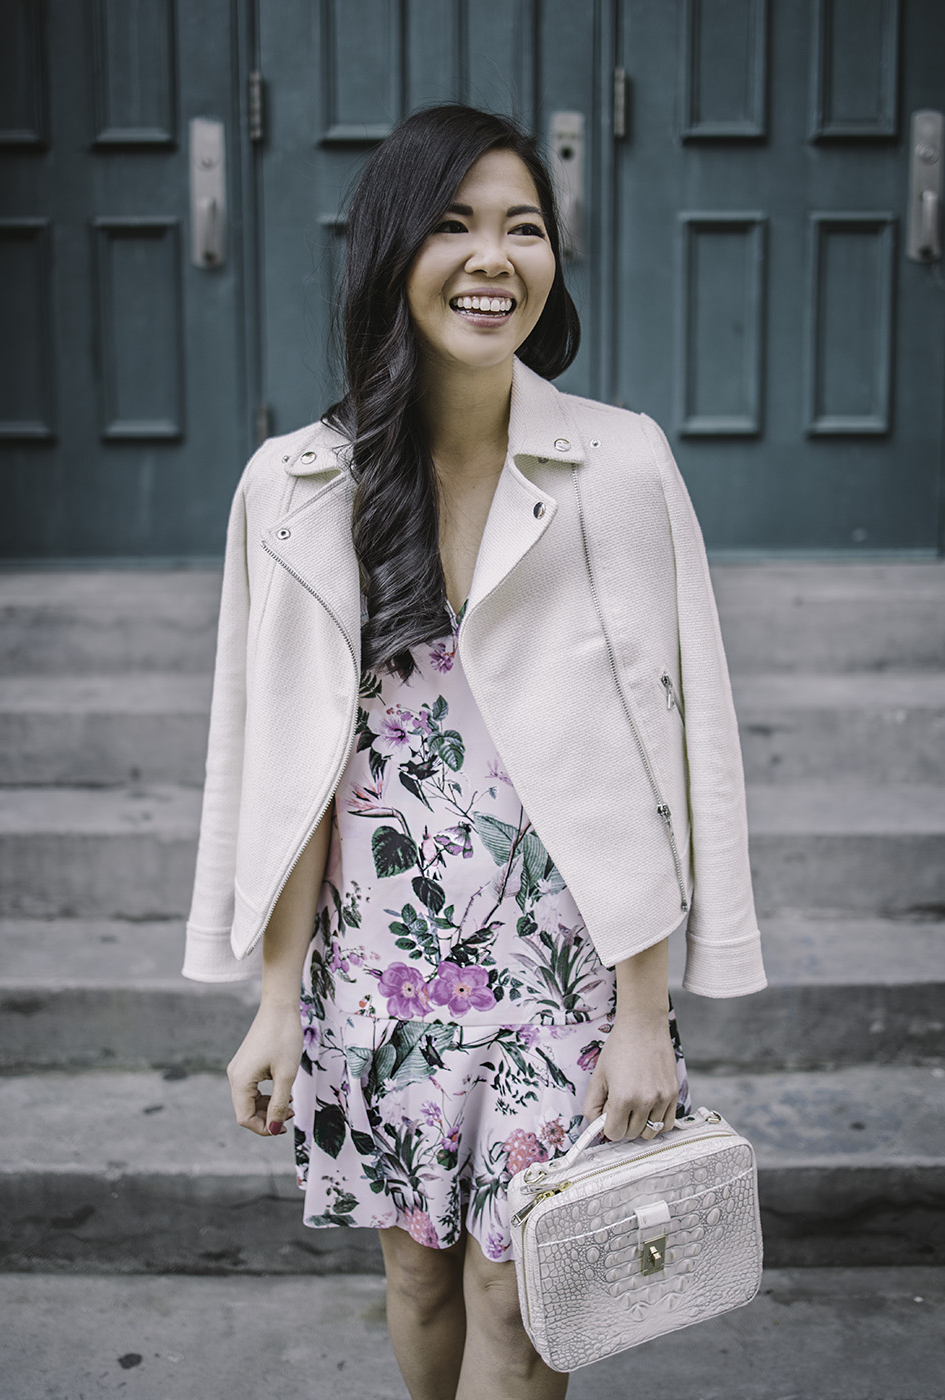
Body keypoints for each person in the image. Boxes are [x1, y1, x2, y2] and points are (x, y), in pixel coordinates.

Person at [182, 103, 766, 1400]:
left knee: (524, 1282)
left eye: (523, 228)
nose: (492, 256)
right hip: (380, 985)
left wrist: (646, 1016)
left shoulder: (619, 465)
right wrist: (275, 1003)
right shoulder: (296, 487)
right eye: (452, 225)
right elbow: (288, 769)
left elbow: (673, 756)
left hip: (560, 981)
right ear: (393, 252)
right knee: (416, 1272)